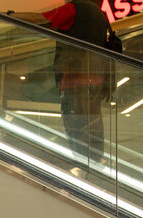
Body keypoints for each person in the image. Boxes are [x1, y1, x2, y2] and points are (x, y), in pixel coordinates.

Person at [11, 0, 116, 166]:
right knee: (93, 125)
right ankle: (95, 162)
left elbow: (44, 20)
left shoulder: (74, 9)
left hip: (74, 81)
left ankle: (82, 164)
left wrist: (12, 16)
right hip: (95, 83)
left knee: (75, 126)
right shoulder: (100, 15)